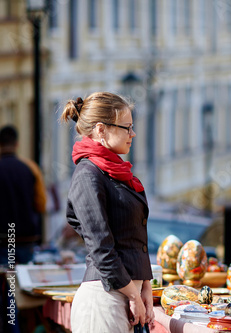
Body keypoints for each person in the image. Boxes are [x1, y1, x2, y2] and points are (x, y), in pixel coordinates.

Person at [60, 92, 154, 332]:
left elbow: (134, 238)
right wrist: (134, 295)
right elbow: (102, 248)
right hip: (103, 300)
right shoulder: (88, 175)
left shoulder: (116, 172)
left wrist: (145, 288)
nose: (132, 134)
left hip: (123, 296)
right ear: (101, 129)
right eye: (127, 127)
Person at [0, 125, 47, 264]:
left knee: (6, 282)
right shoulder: (31, 168)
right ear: (17, 144)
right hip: (26, 238)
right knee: (23, 281)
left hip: (3, 239)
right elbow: (41, 204)